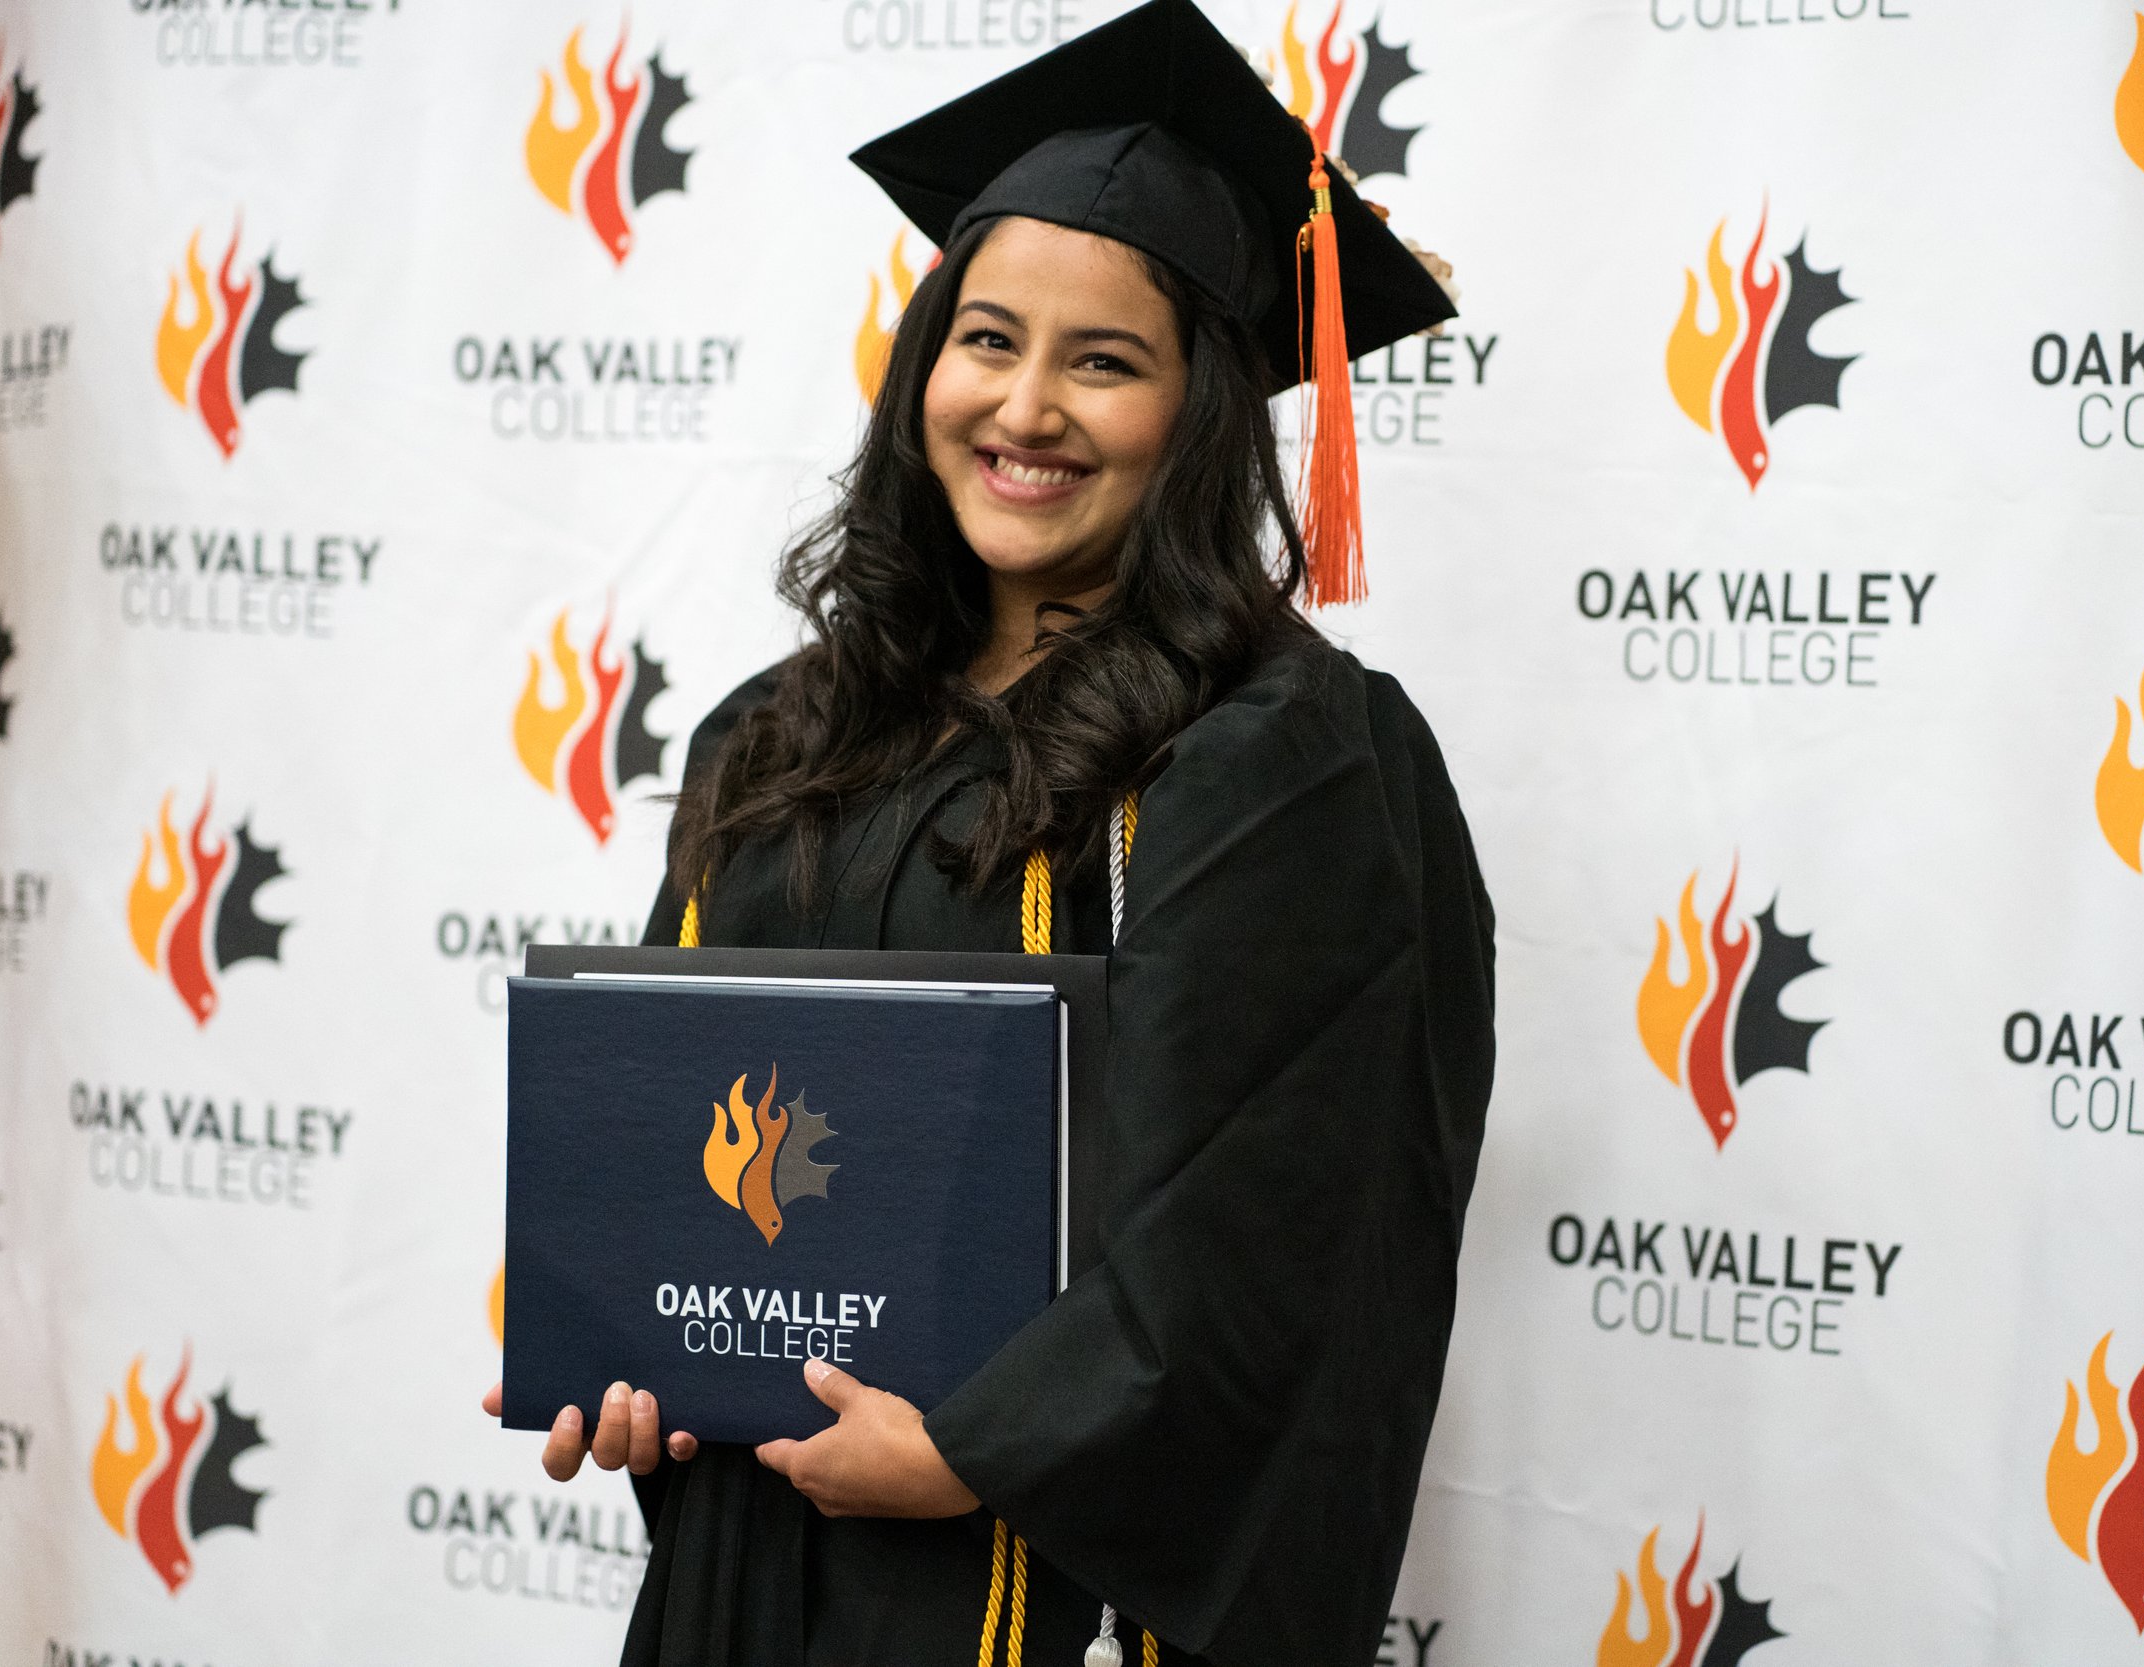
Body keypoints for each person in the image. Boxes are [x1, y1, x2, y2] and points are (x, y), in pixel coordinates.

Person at [483, 4, 1495, 1663]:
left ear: (1205, 410)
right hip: (748, 1568)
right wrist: (626, 1339)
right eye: (987, 339)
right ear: (922, 363)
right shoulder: (783, 729)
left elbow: (1280, 1235)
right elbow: (678, 1123)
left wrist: (974, 1451)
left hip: (1030, 1596)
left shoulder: (1278, 757)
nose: (1025, 407)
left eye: (1104, 361)